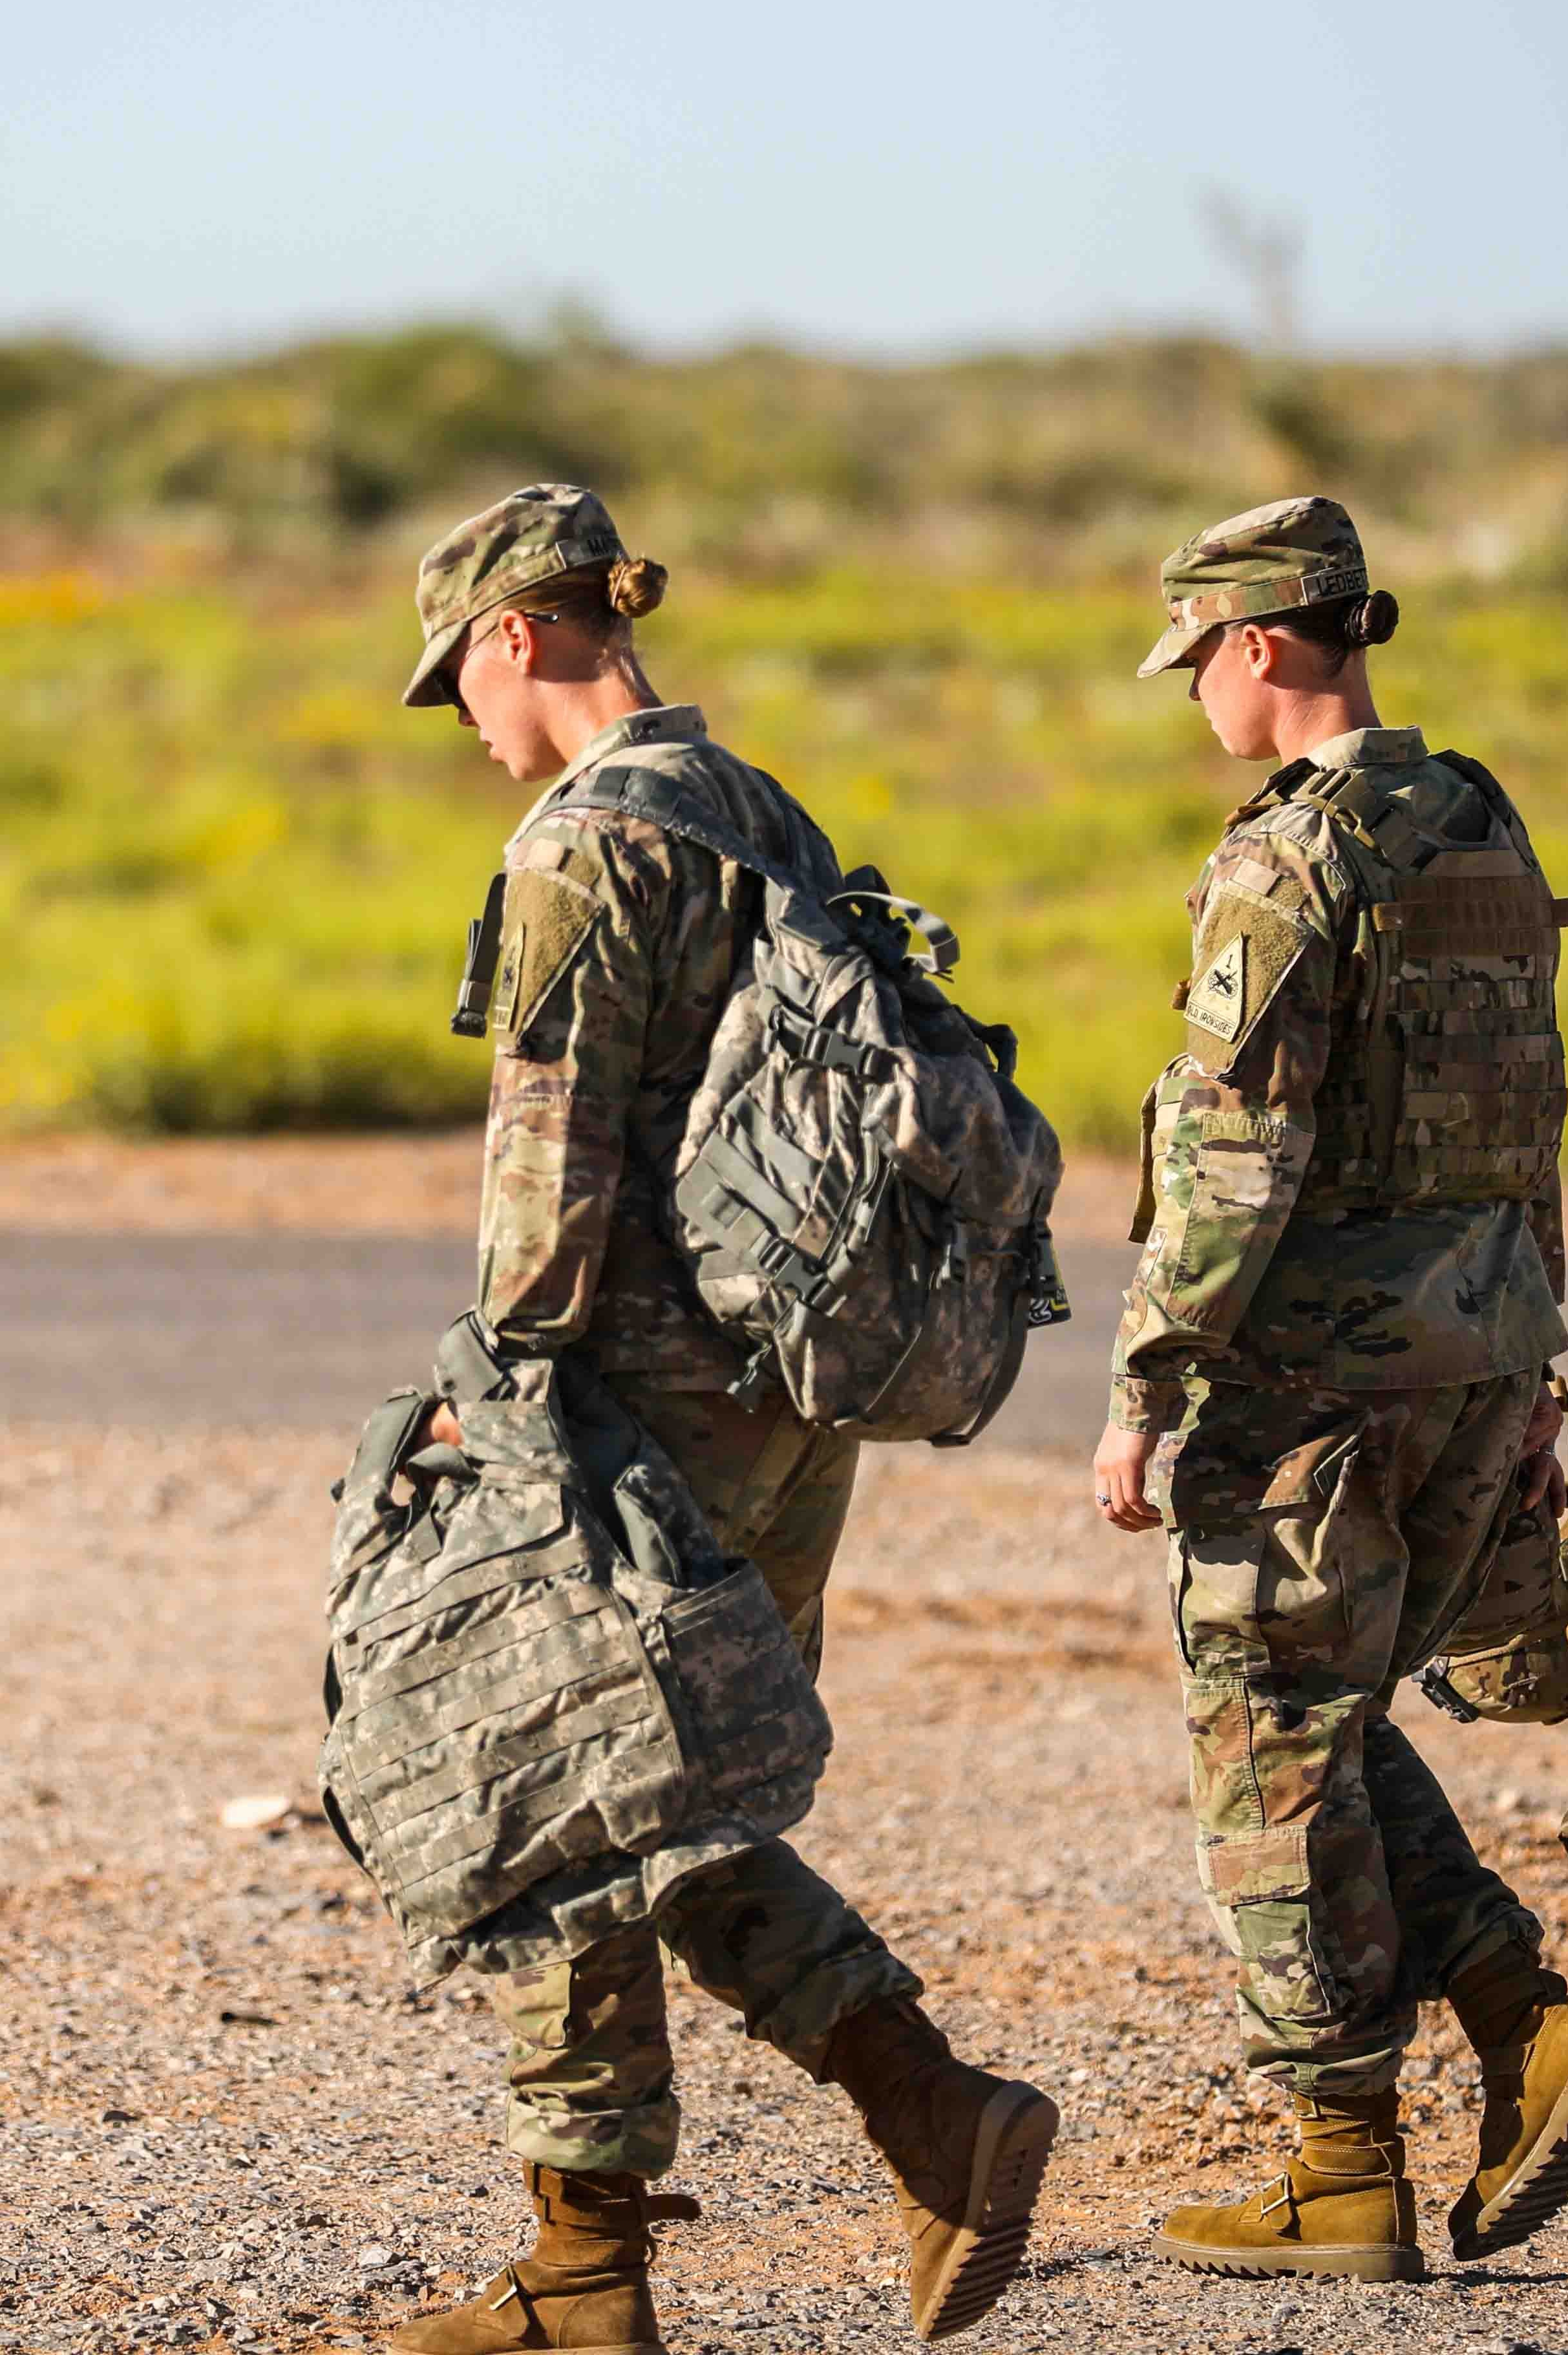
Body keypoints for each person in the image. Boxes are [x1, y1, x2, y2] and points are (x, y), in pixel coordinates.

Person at [379, 484, 1056, 2351]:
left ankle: (598, 2269)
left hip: (643, 1392)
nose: (474, 731)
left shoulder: (579, 849)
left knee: (555, 1777)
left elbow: (553, 1157)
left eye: (466, 687)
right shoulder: (758, 809)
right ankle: (920, 2120)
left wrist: (495, 1396)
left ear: (518, 634)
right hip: (799, 1385)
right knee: (673, 1796)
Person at [1092, 496, 1568, 2280]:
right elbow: (1532, 1103)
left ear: (1262, 647)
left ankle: (1347, 2162)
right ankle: (1520, 2026)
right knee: (1328, 1720)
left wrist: (1149, 1383)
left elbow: (1234, 1156)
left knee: (1263, 1740)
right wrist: (1537, 1349)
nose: (1195, 699)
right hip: (1484, 1348)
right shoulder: (1477, 815)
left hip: (1322, 1379)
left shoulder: (1290, 859)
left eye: (1197, 664)